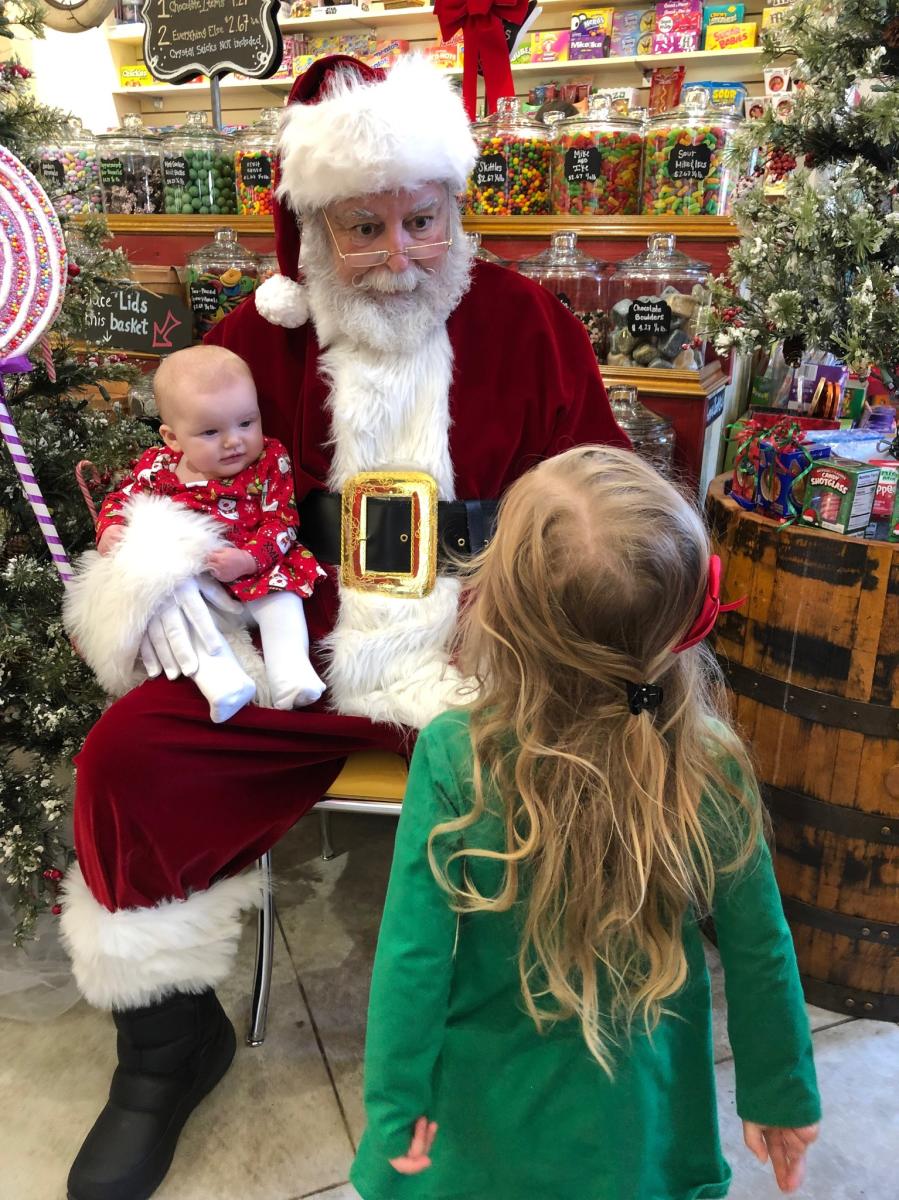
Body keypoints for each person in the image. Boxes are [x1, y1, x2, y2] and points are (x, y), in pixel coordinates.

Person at [59, 53, 629, 1200]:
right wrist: (165, 570)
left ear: (452, 207)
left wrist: (509, 612)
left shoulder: (528, 325)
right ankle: (166, 1051)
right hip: (292, 653)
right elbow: (166, 491)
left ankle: (542, 1046)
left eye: (420, 219)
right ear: (311, 232)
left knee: (581, 764)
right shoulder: (251, 338)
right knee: (130, 758)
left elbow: (600, 494)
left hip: (483, 647)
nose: (399, 253)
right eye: (362, 228)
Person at [351, 446, 821, 1200]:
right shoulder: (711, 762)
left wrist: (394, 1115)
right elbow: (759, 946)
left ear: (498, 611)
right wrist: (780, 1091)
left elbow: (412, 962)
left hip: (487, 1119)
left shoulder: (455, 756)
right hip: (638, 1116)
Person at [93, 344, 326, 722]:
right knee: (172, 608)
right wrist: (111, 527)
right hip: (196, 580)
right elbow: (121, 499)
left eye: (246, 423)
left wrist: (249, 558)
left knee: (283, 601)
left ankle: (291, 672)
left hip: (258, 565)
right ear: (172, 438)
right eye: (211, 431)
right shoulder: (158, 468)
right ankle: (221, 681)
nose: (234, 441)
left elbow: (283, 521)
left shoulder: (269, 459)